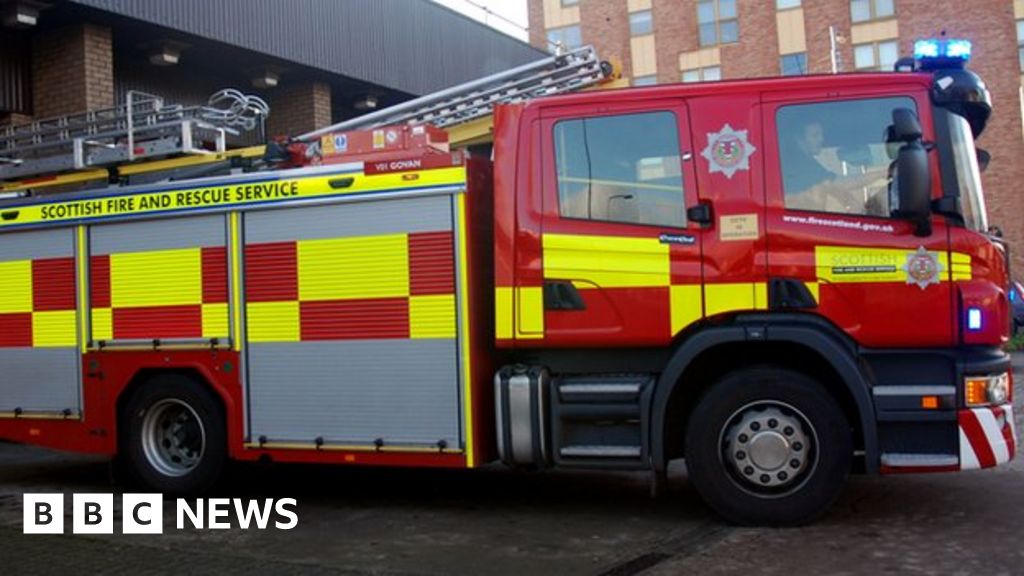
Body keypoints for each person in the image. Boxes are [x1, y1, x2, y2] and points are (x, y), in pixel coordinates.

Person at [783, 120, 888, 214]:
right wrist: (883, 173)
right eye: (815, 135)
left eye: (821, 135)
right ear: (799, 139)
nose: (821, 139)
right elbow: (843, 183)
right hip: (803, 229)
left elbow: (831, 187)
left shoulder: (808, 163)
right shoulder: (798, 165)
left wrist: (849, 202)